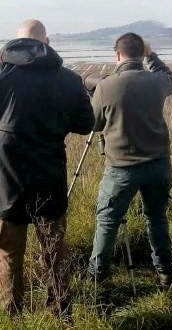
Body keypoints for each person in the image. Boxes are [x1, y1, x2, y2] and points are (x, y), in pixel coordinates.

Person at [0, 20, 94, 315]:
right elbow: (86, 124)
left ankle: (11, 313)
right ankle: (60, 311)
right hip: (49, 179)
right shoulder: (68, 79)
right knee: (54, 251)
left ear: (16, 43)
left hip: (6, 183)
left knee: (8, 255)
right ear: (47, 42)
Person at [88, 32, 172, 286]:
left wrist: (96, 96)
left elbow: (93, 124)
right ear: (142, 54)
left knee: (107, 221)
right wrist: (153, 55)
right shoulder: (157, 81)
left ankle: (97, 278)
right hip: (158, 164)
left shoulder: (106, 87)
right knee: (157, 217)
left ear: (118, 55)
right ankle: (165, 272)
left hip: (121, 169)